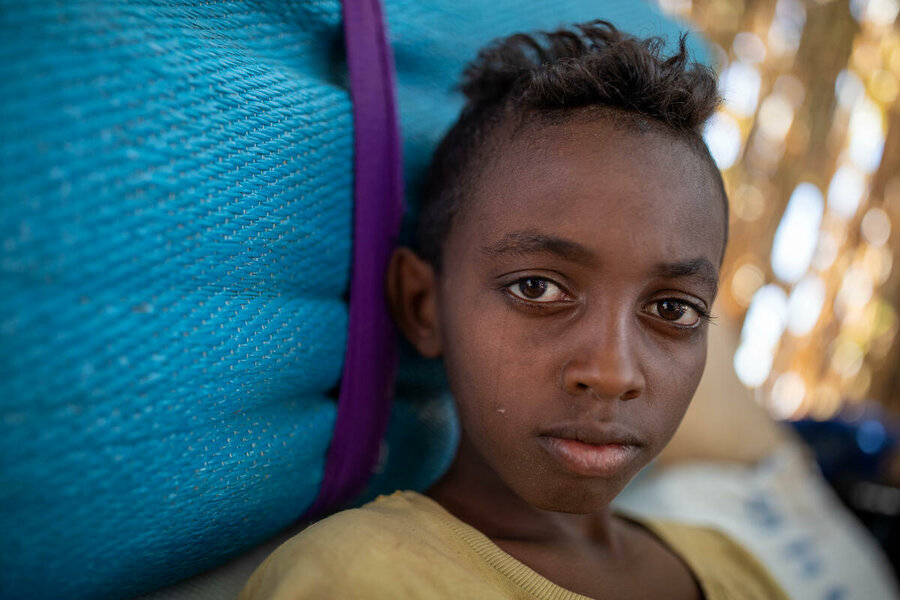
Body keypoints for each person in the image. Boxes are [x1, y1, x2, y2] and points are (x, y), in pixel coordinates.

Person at [239, 21, 787, 599]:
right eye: (538, 290)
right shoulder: (361, 576)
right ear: (424, 307)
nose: (612, 373)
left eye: (673, 309)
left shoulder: (736, 568)